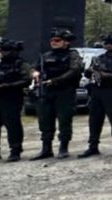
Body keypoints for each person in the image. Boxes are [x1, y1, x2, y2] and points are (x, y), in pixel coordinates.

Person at [30, 28, 83, 160]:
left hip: (64, 91)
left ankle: (63, 148)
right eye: (52, 40)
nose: (53, 42)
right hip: (46, 92)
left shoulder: (72, 55)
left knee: (64, 120)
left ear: (66, 42)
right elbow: (33, 67)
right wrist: (34, 73)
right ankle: (46, 149)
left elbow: (75, 71)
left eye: (57, 40)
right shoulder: (45, 56)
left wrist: (55, 81)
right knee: (45, 120)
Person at [79, 33, 112, 158]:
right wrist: (89, 71)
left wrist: (107, 75)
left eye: (110, 43)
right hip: (97, 90)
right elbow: (87, 74)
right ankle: (93, 146)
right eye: (105, 43)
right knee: (94, 119)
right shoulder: (99, 58)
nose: (107, 45)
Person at [0, 39, 32, 162]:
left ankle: (15, 150)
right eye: (2, 50)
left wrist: (7, 86)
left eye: (5, 50)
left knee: (12, 124)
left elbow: (27, 80)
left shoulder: (21, 64)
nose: (2, 53)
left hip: (12, 97)